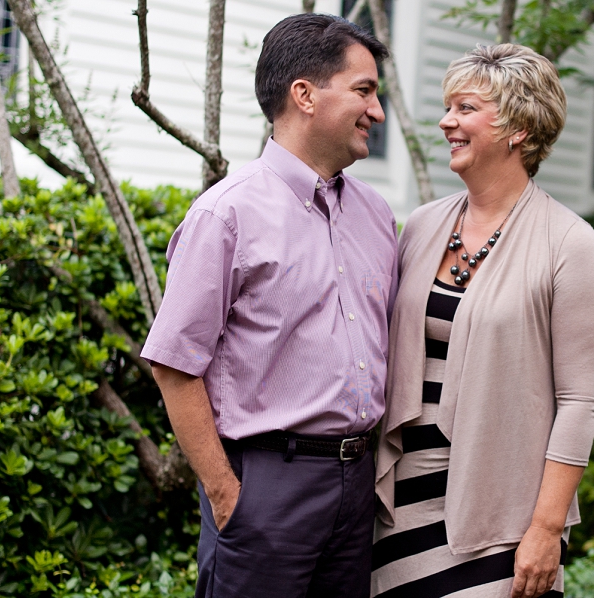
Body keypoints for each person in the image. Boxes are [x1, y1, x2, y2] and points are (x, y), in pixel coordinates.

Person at [140, 13, 398, 598]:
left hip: (357, 488)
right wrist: (226, 494)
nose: (377, 112)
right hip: (264, 490)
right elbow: (174, 364)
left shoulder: (377, 216)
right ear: (304, 95)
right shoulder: (225, 215)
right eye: (364, 90)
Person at [372, 44, 594, 598]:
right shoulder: (423, 225)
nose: (446, 122)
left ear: (519, 130)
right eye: (447, 107)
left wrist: (547, 529)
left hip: (502, 515)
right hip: (398, 507)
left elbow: (580, 402)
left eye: (465, 108)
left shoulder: (569, 243)